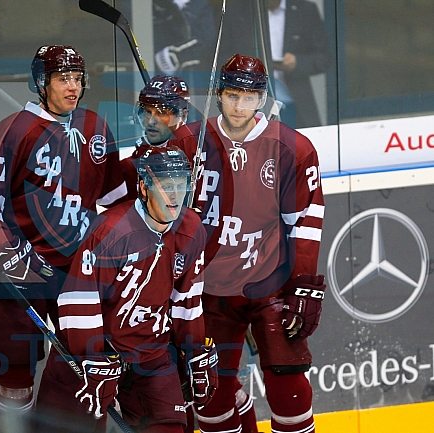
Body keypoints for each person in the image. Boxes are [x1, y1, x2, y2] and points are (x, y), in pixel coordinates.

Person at [0, 45, 127, 426]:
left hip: (77, 272)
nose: (72, 88)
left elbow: (118, 197)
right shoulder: (15, 130)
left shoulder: (94, 128)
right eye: (62, 79)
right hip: (21, 271)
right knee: (14, 373)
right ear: (41, 83)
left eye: (77, 79)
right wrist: (9, 258)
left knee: (90, 362)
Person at [36, 146, 216, 432]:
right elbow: (78, 301)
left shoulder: (191, 228)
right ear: (143, 187)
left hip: (151, 353)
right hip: (93, 355)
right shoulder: (111, 230)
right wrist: (94, 359)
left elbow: (187, 299)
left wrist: (194, 349)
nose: (174, 195)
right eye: (166, 186)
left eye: (181, 185)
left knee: (169, 427)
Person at [190, 54, 325, 433]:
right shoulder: (190, 142)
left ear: (262, 99)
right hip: (210, 290)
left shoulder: (292, 148)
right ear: (219, 95)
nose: (239, 105)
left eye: (248, 97)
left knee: (288, 382)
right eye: (232, 95)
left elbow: (305, 222)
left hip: (271, 284)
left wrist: (302, 284)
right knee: (211, 394)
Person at [220, 0, 332, 128]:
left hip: (294, 103)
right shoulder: (238, 10)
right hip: (250, 102)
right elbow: (221, 57)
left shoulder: (305, 10)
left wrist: (297, 63)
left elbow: (325, 58)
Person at [121, 74, 197, 200]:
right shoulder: (133, 161)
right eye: (147, 112)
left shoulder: (197, 154)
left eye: (161, 113)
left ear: (183, 116)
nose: (151, 122)